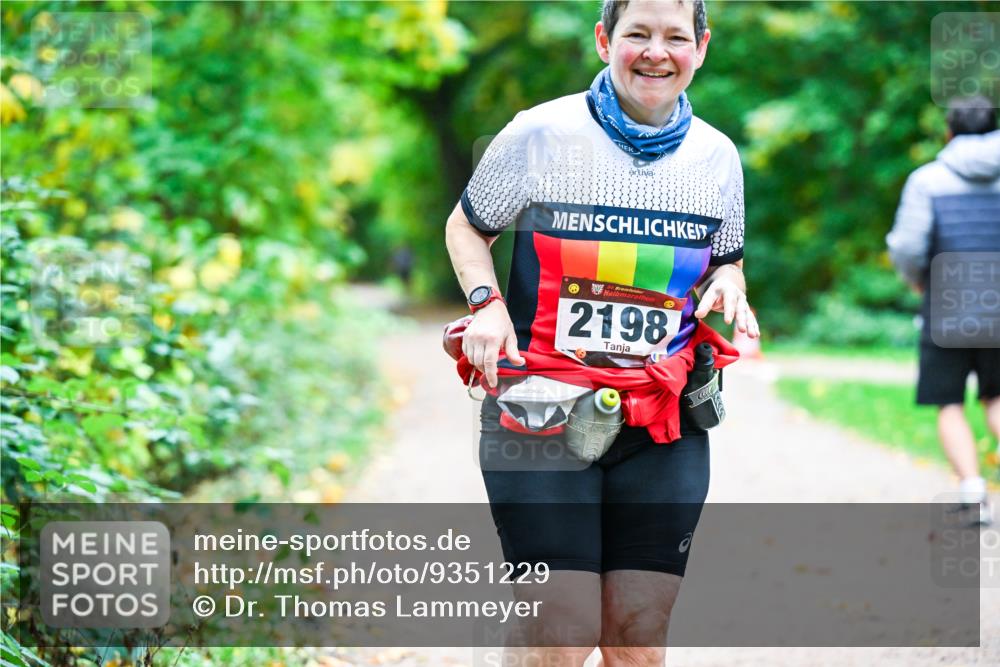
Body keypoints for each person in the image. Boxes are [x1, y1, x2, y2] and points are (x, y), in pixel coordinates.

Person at [445, 1, 758, 664]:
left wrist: (732, 280)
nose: (655, 51)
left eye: (675, 36)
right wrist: (486, 304)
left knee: (638, 631)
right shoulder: (541, 133)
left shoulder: (717, 158)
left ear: (701, 47)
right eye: (636, 33)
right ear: (602, 40)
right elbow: (467, 225)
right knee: (561, 623)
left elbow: (724, 255)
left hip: (663, 423)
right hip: (539, 416)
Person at [886, 95, 1000, 527]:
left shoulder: (928, 180)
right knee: (997, 396)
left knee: (949, 401)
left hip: (947, 306)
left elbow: (908, 246)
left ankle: (972, 493)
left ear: (949, 131)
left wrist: (919, 280)